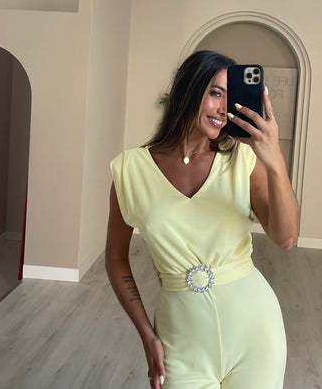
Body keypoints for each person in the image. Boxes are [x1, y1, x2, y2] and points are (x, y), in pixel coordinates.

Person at [105, 50, 299, 389]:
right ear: (188, 89)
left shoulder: (242, 160)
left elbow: (286, 238)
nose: (224, 109)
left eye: (229, 97)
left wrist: (275, 161)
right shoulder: (129, 170)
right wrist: (147, 335)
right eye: (215, 93)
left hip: (256, 334)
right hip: (181, 340)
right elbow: (116, 257)